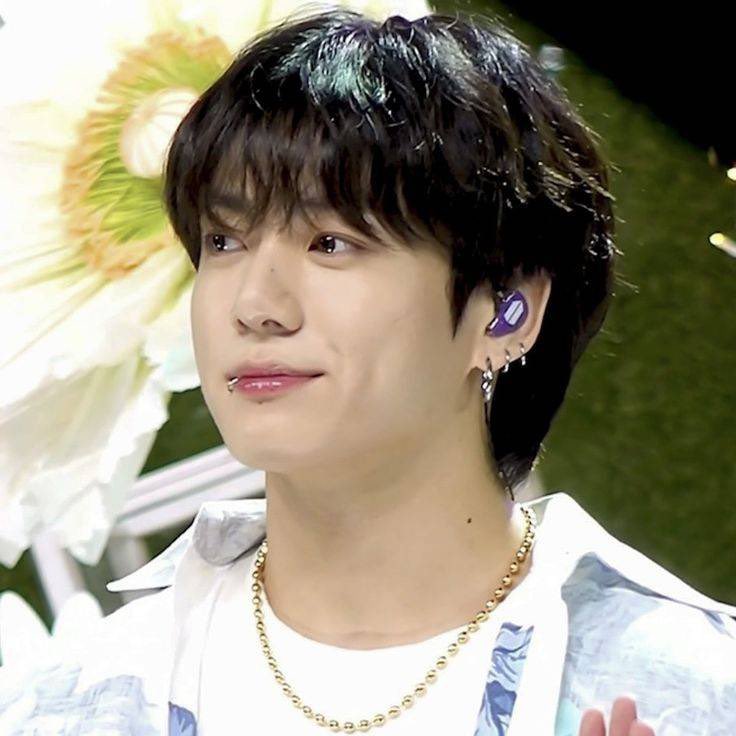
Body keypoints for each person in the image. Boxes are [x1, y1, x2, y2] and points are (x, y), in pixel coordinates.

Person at [1, 8, 735, 736]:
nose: (255, 306)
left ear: (505, 311)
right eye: (224, 241)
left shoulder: (688, 690)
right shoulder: (64, 708)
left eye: (330, 242)